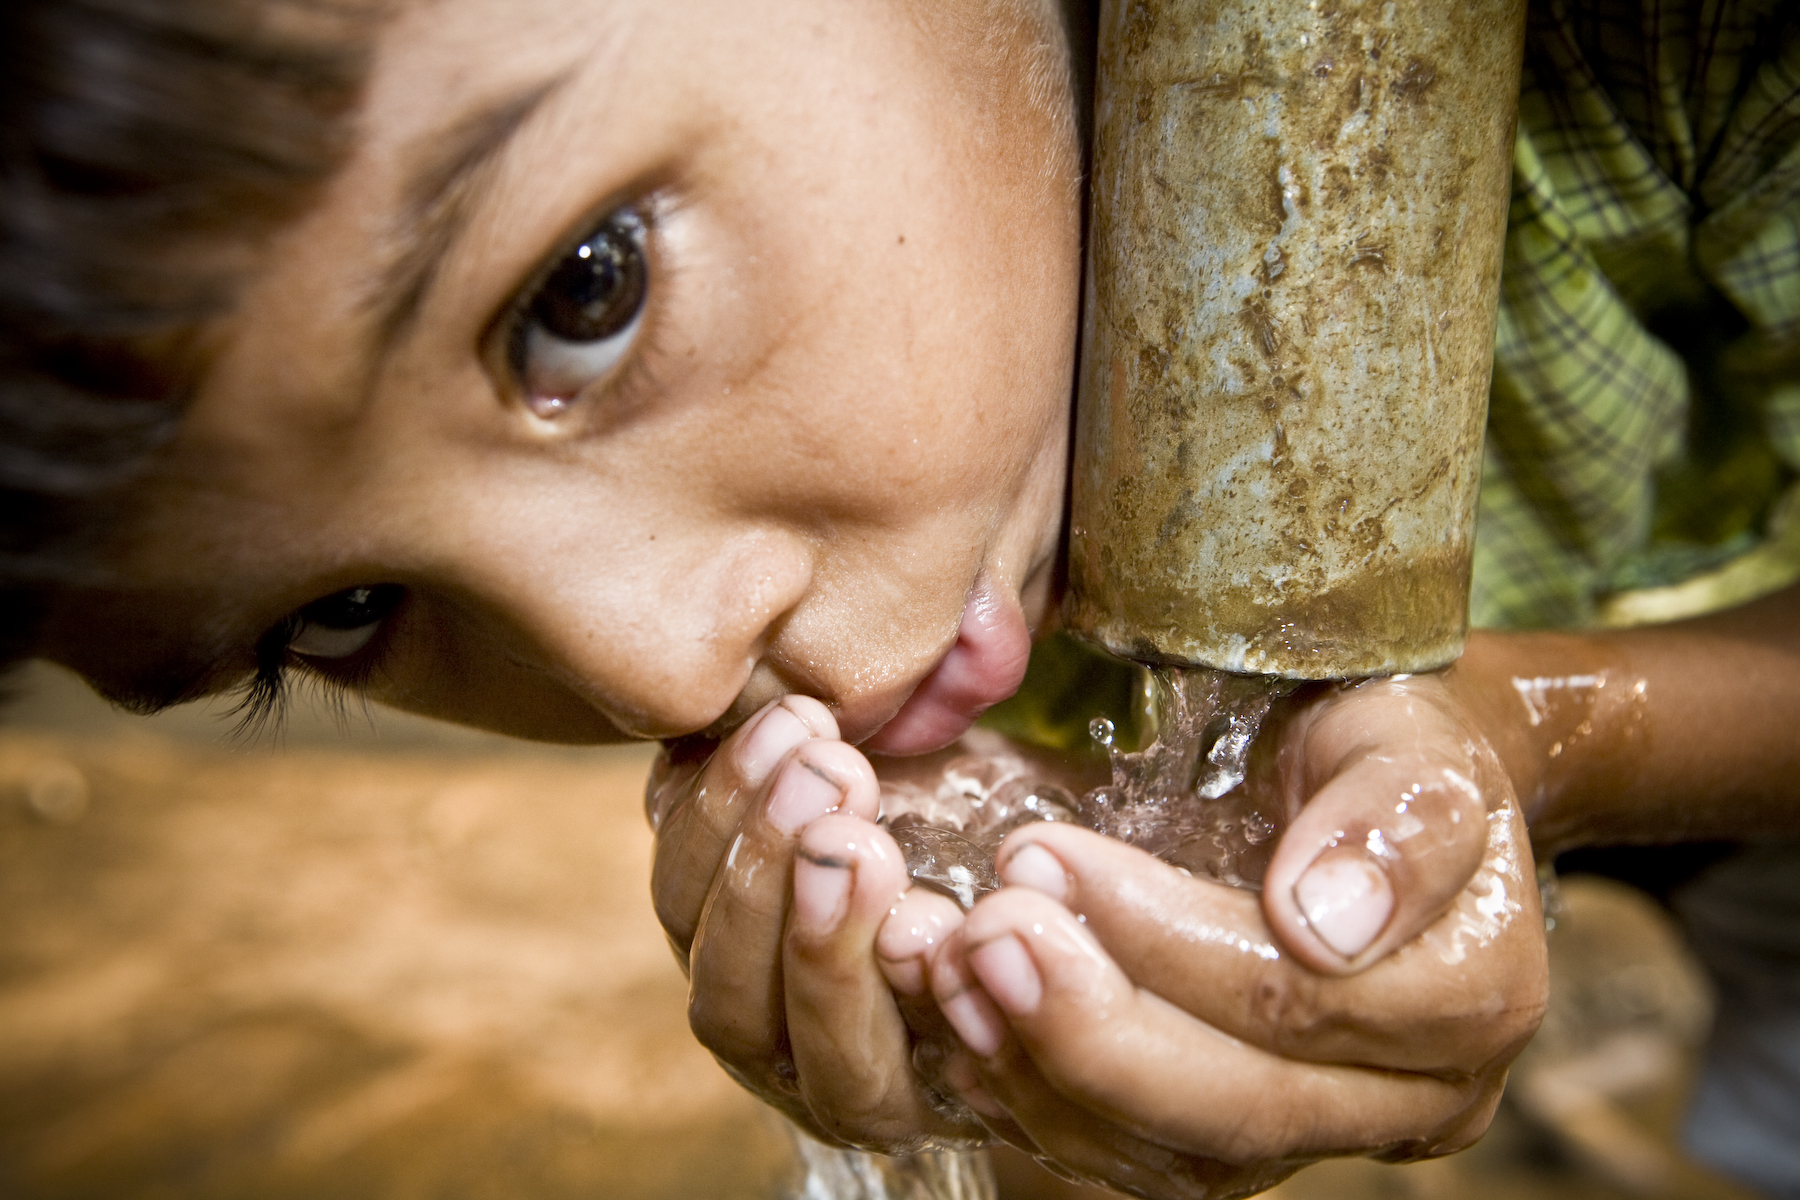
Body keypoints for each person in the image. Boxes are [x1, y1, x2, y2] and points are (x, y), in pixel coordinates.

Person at [0, 0, 1793, 1196]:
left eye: (586, 290)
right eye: (344, 610)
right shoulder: (912, 469)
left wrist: (1567, 738)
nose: (649, 664)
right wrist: (1048, 1072)